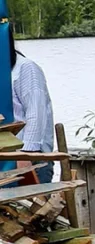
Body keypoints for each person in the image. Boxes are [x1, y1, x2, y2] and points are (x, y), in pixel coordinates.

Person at [11, 43, 54, 184]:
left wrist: (25, 156)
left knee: (37, 205)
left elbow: (36, 113)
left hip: (31, 159)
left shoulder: (24, 68)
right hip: (5, 160)